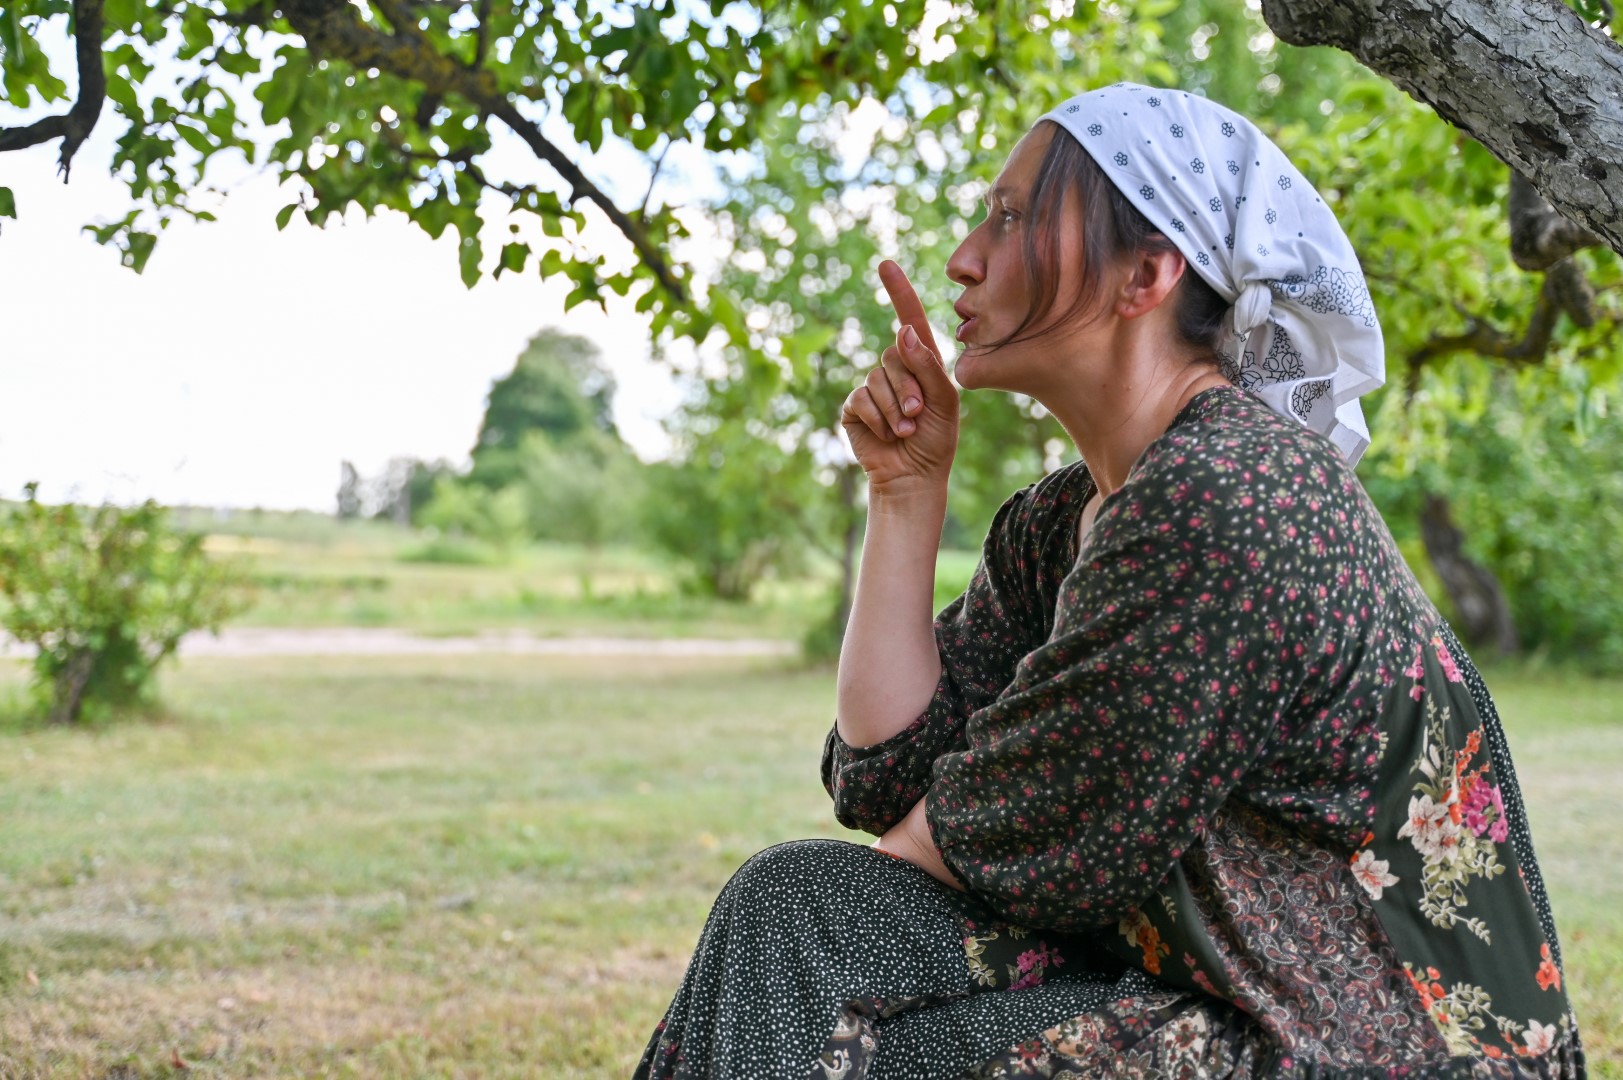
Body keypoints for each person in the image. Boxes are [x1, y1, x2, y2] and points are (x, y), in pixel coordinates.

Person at [632, 84, 1584, 1079]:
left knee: (851, 997)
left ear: (1145, 273)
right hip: (1210, 995)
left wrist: (888, 878)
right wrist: (904, 493)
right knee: (794, 909)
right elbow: (886, 780)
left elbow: (990, 837)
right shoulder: (1058, 522)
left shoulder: (1231, 492)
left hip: (1361, 1042)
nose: (962, 258)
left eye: (1010, 219)